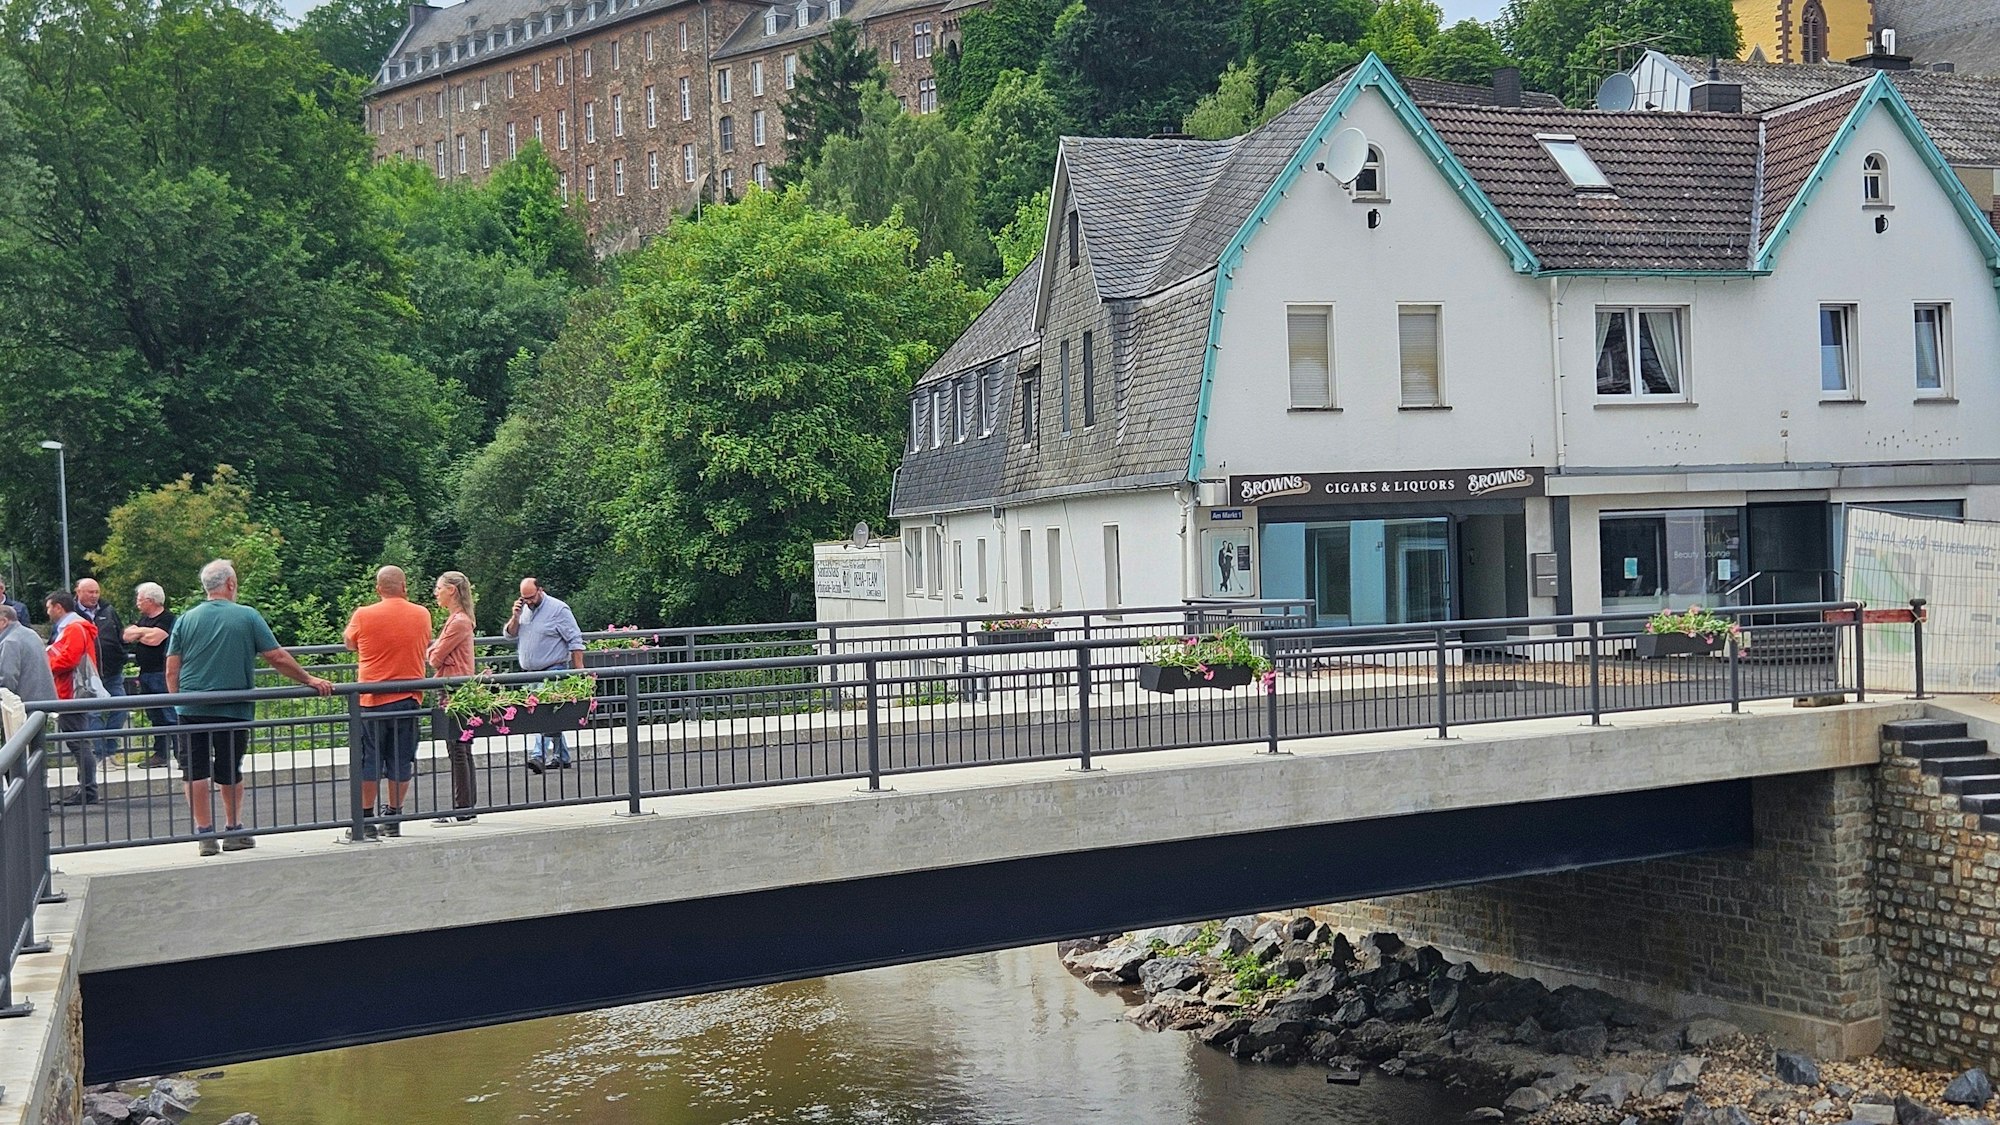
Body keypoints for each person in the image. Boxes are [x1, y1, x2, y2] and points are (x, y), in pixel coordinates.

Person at [168, 559, 333, 857]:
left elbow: (172, 669)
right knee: (230, 768)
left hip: (190, 706)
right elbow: (276, 657)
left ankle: (205, 834)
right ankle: (234, 830)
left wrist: (176, 701)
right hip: (233, 707)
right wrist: (309, 679)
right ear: (230, 584)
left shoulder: (186, 618)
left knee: (194, 771)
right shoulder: (247, 615)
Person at [343, 566, 432, 840]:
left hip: (372, 699)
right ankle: (394, 817)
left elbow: (349, 643)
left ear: (378, 588)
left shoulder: (363, 614)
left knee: (369, 759)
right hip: (408, 698)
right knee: (401, 759)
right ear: (404, 587)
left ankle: (365, 819)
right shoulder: (422, 614)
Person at [502, 577, 584, 773]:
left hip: (553, 670)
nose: (528, 601)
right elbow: (509, 634)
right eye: (524, 598)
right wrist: (515, 616)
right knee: (551, 715)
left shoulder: (558, 609)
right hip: (530, 674)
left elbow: (575, 639)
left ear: (540, 590)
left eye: (531, 597)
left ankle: (538, 755)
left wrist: (579, 671)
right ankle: (562, 756)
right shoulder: (523, 610)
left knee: (542, 714)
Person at [426, 570, 478, 824]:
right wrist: (437, 652)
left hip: (454, 688)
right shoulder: (460, 620)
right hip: (458, 686)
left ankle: (463, 809)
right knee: (462, 748)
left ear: (452, 590)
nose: (436, 593)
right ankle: (466, 807)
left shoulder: (458, 622)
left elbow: (434, 658)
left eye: (439, 588)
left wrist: (435, 652)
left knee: (458, 749)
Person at [43, 590, 100, 805]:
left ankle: (87, 790)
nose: (48, 612)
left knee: (78, 743)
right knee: (79, 742)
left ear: (59, 607)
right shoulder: (75, 627)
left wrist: (46, 664)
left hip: (71, 692)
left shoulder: (74, 628)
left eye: (49, 607)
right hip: (71, 691)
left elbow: (69, 659)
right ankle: (86, 789)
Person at [123, 582, 179, 769]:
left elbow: (155, 640)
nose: (137, 603)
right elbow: (126, 635)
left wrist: (139, 633)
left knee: (170, 715)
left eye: (140, 600)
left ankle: (182, 754)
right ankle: (161, 754)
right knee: (155, 716)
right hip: (146, 674)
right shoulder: (144, 620)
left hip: (162, 674)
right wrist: (144, 632)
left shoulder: (168, 618)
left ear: (150, 600)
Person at [74, 578, 128, 763]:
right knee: (93, 714)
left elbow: (120, 636)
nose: (94, 596)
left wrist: (121, 655)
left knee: (121, 708)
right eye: (90, 592)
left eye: (96, 592)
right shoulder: (71, 614)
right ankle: (101, 755)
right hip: (87, 675)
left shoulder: (109, 611)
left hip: (112, 672)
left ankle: (110, 750)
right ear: (78, 592)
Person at [0, 604, 57, 710]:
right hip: (47, 704)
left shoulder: (10, 642)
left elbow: (6, 682)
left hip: (26, 708)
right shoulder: (30, 634)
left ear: (3, 622)